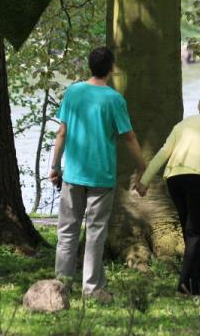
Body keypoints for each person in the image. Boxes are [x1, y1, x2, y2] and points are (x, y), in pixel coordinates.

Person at [50, 46, 146, 303]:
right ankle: (91, 289)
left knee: (67, 232)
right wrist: (142, 166)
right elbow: (128, 136)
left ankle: (61, 286)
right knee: (95, 233)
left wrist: (54, 166)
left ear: (89, 66)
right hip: (101, 177)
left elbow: (61, 133)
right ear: (111, 68)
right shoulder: (114, 99)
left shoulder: (73, 92)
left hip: (74, 175)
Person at [134, 92, 200, 295]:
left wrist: (144, 181)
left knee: (191, 233)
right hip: (198, 178)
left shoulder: (182, 125)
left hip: (174, 178)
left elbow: (162, 153)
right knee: (195, 233)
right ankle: (184, 287)